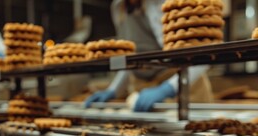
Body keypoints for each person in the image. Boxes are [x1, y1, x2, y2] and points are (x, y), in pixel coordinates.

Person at [84, 0, 214, 112]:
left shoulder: (168, 4)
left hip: (182, 84)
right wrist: (113, 90)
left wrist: (167, 89)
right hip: (142, 89)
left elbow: (200, 58)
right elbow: (129, 58)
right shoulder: (118, 7)